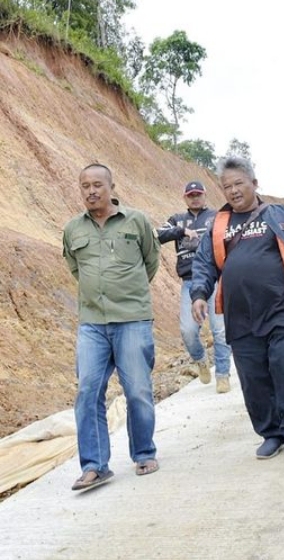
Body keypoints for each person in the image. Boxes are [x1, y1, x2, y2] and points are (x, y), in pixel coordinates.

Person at [191, 157, 284, 460]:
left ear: (254, 184)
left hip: (281, 306)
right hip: (239, 312)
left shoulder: (278, 214)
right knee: (252, 376)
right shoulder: (219, 224)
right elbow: (203, 264)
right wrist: (199, 294)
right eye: (226, 186)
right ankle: (271, 432)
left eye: (239, 183)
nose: (233, 191)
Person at [62, 163, 161, 491]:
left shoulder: (137, 221)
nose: (91, 191)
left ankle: (144, 452)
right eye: (85, 186)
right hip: (92, 324)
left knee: (138, 391)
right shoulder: (73, 229)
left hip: (132, 319)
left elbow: (151, 261)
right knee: (87, 392)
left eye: (97, 185)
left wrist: (127, 294)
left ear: (111, 187)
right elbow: (75, 267)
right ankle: (94, 465)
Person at [157, 181, 233, 393]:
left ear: (205, 195)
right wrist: (182, 232)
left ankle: (223, 375)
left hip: (216, 279)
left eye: (198, 194)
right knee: (188, 330)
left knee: (220, 330)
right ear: (184, 198)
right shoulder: (176, 220)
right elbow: (158, 235)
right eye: (190, 195)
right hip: (189, 281)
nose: (195, 197)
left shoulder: (216, 217)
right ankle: (200, 360)